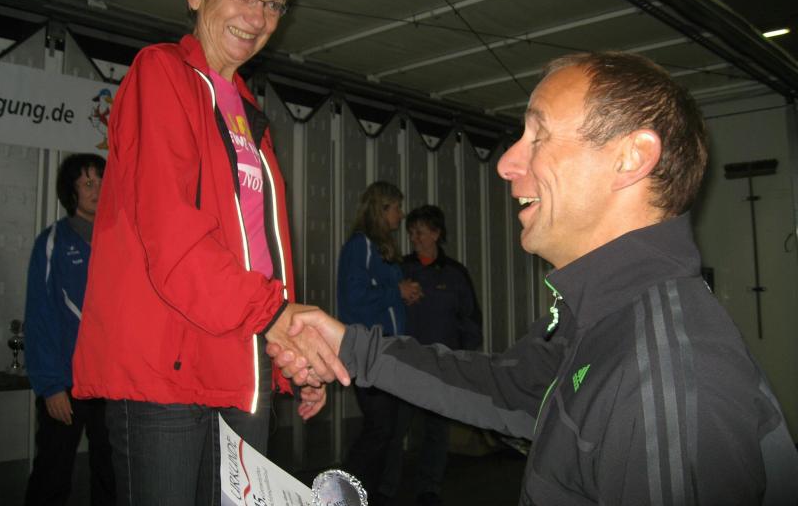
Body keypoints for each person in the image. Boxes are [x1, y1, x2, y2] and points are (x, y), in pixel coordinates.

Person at [269, 52, 798, 505]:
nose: (507, 163)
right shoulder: (596, 317)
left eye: (538, 135)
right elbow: (505, 388)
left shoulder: (667, 380)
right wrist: (348, 346)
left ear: (631, 157)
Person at [71, 0, 347, 506]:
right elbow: (174, 235)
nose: (259, 17)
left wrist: (286, 354)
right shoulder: (161, 73)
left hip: (238, 368)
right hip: (164, 373)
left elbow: (259, 250)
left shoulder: (248, 111)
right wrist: (277, 318)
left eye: (273, 4)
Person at [24, 153, 115, 506]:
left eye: (102, 181)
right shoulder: (52, 243)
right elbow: (40, 317)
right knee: (52, 476)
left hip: (111, 386)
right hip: (65, 386)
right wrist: (51, 387)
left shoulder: (119, 241)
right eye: (88, 183)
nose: (97, 189)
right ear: (71, 191)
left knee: (111, 477)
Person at [380, 204, 481, 506]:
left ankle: (429, 489)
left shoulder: (455, 274)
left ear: (436, 234)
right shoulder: (400, 269)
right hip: (404, 363)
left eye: (420, 232)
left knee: (436, 430)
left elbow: (470, 319)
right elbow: (382, 307)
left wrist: (462, 359)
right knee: (395, 429)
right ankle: (385, 489)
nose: (414, 238)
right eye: (411, 233)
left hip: (441, 365)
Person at [336, 181, 421, 504]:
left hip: (389, 348)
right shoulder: (361, 245)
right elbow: (354, 296)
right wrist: (396, 291)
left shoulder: (381, 248)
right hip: (370, 349)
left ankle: (365, 495)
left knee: (386, 430)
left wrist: (404, 295)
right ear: (381, 209)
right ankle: (341, 495)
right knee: (379, 428)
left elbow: (381, 296)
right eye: (396, 207)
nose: (401, 214)